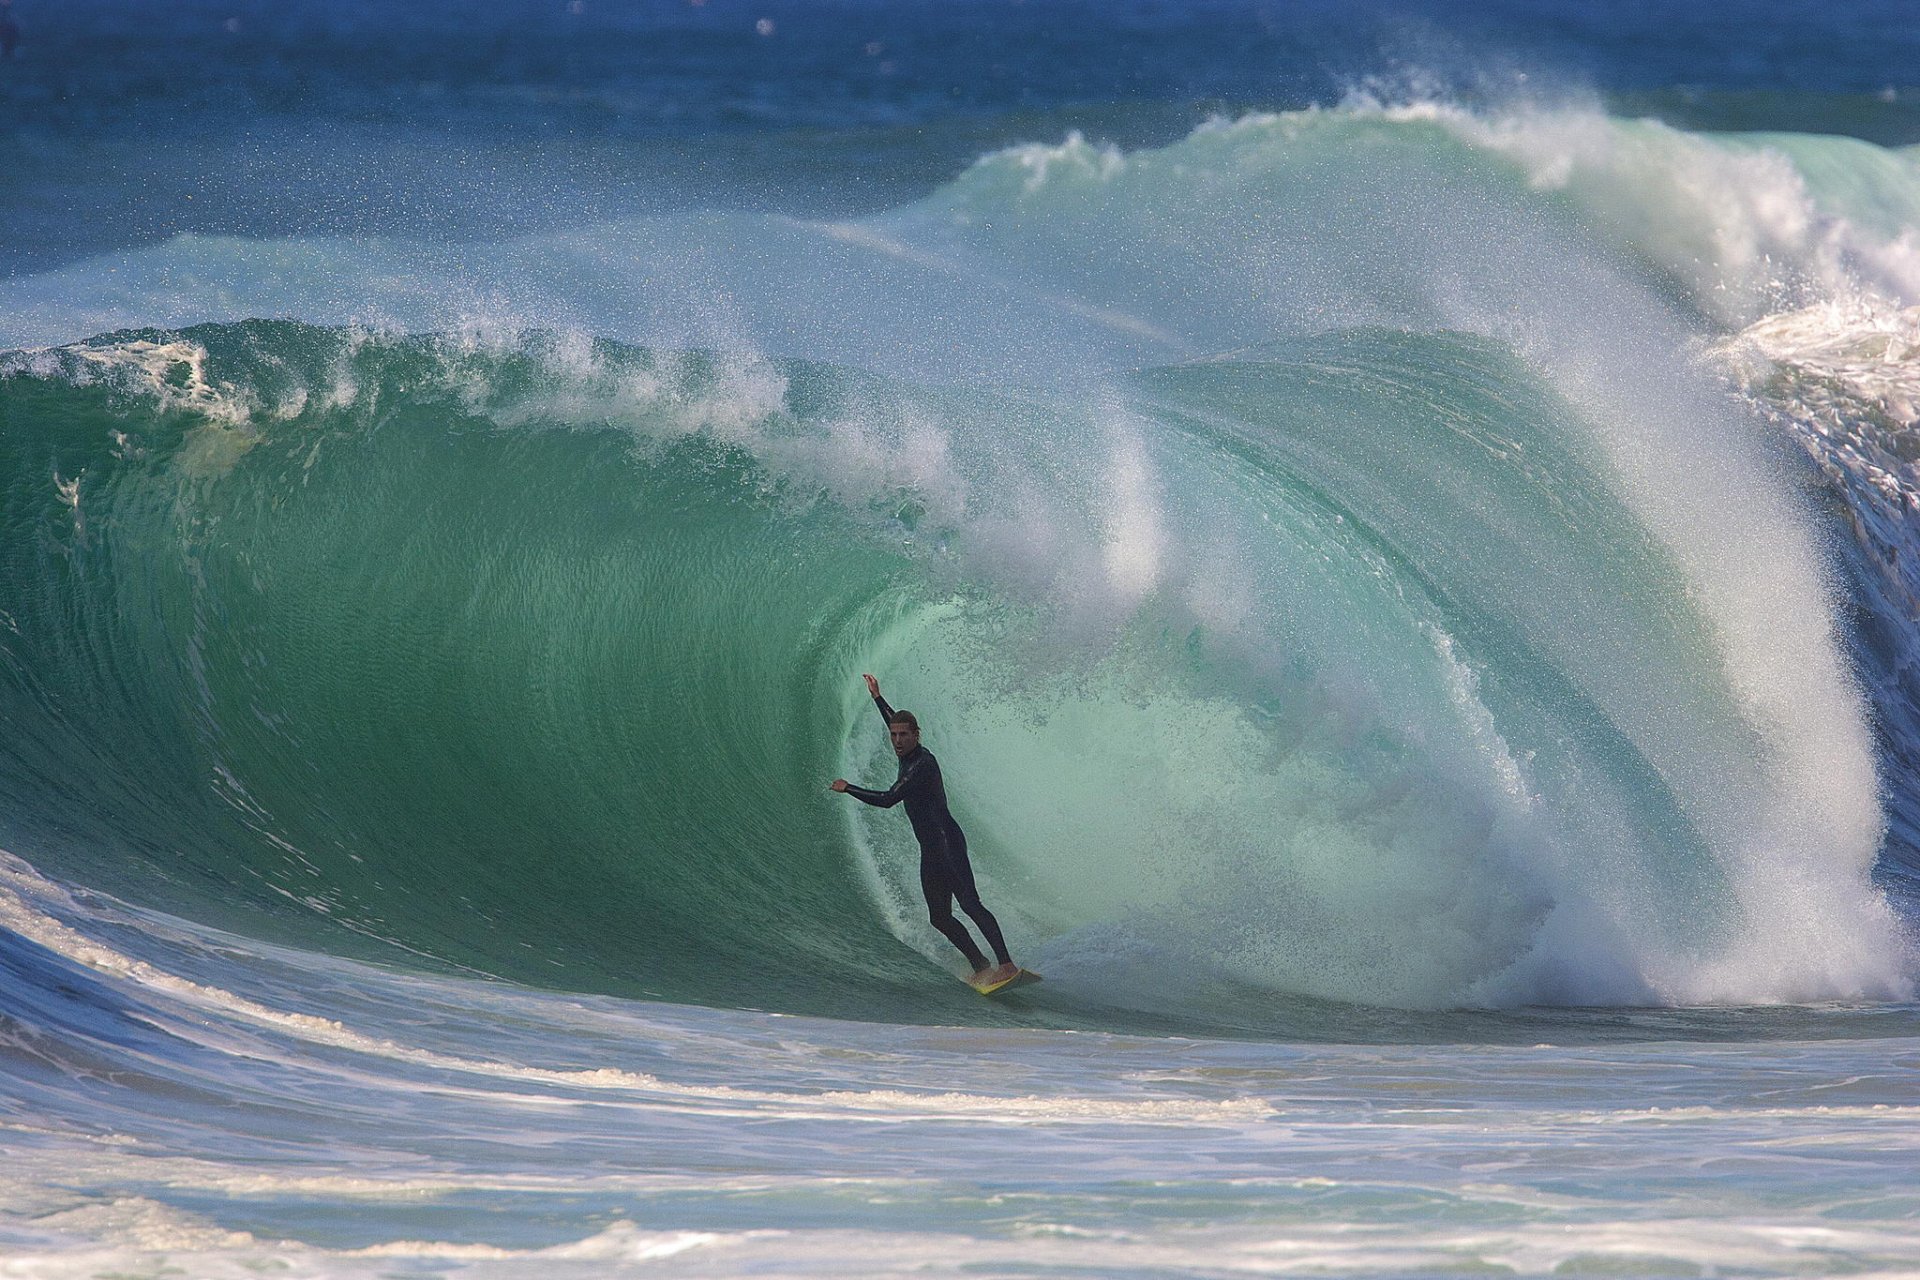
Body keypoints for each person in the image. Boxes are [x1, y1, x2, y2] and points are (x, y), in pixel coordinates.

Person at [831, 674, 1018, 987]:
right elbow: (895, 720)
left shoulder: (922, 765)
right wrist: (878, 698)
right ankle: (981, 965)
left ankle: (1007, 964)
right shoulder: (905, 750)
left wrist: (848, 787)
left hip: (948, 844)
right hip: (931, 849)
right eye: (893, 735)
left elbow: (889, 799)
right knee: (939, 917)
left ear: (917, 735)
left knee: (971, 904)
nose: (898, 741)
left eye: (905, 735)